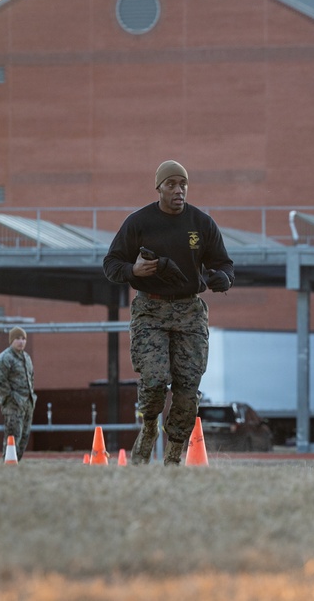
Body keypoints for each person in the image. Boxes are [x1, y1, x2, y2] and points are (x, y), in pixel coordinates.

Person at [103, 160, 235, 465]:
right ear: (159, 188)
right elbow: (111, 264)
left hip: (190, 311)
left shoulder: (201, 224)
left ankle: (173, 458)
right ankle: (149, 426)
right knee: (154, 379)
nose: (179, 190)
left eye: (183, 184)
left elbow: (225, 264)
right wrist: (132, 269)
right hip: (151, 309)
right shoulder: (139, 223)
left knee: (188, 389)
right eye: (172, 184)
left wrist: (223, 278)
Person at [0, 326, 36, 461]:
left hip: (27, 404)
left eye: (23, 339)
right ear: (11, 340)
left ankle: (17, 463)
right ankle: (8, 464)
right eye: (18, 338)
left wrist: (31, 398)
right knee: (12, 437)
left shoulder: (26, 358)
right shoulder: (5, 358)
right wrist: (12, 397)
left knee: (24, 437)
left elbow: (31, 378)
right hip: (13, 405)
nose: (21, 342)